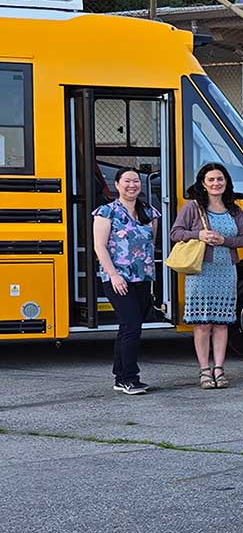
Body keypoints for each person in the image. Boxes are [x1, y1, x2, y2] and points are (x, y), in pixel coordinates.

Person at [171, 163, 243, 390]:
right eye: (211, 180)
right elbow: (175, 233)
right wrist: (200, 235)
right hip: (201, 271)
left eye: (220, 179)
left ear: (226, 183)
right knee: (203, 323)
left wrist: (224, 241)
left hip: (226, 270)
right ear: (203, 184)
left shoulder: (235, 209)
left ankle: (219, 369)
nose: (216, 183)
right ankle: (205, 370)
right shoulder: (193, 208)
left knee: (222, 323)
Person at [92, 167, 161, 395]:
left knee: (127, 327)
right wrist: (113, 274)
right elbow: (99, 246)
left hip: (142, 277)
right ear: (118, 185)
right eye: (127, 181)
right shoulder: (106, 212)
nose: (132, 185)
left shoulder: (149, 213)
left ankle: (120, 376)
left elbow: (151, 243)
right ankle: (130, 377)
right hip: (117, 278)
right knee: (132, 326)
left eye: (136, 181)